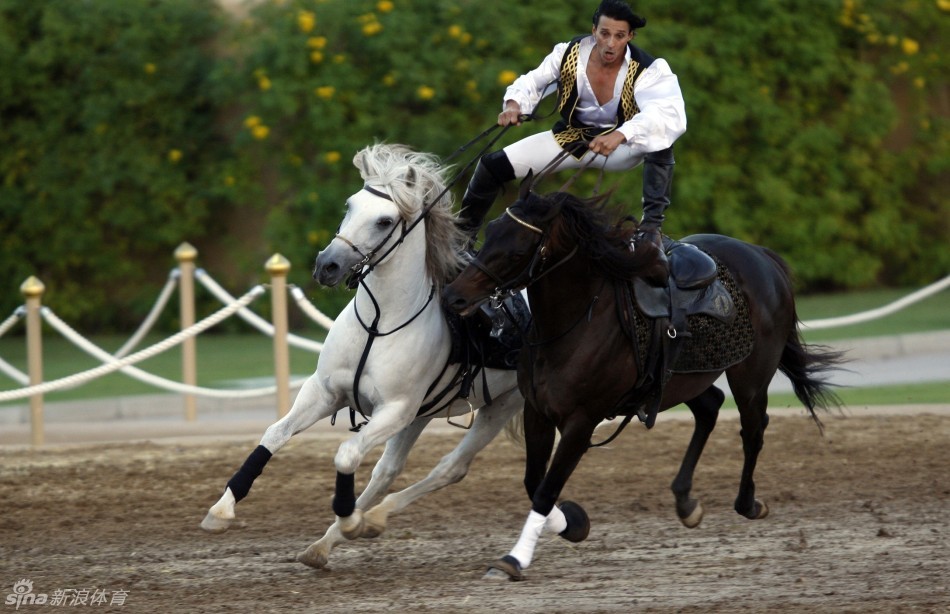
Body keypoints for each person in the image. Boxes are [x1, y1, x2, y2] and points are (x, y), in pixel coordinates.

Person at [459, 0, 686, 278]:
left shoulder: (650, 69)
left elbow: (667, 113)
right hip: (571, 139)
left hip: (622, 147)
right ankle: (461, 243)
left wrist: (621, 134)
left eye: (619, 36)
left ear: (630, 37)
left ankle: (651, 230)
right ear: (594, 30)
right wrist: (514, 105)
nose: (610, 44)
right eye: (604, 34)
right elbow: (533, 81)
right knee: (492, 165)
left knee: (661, 139)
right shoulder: (568, 53)